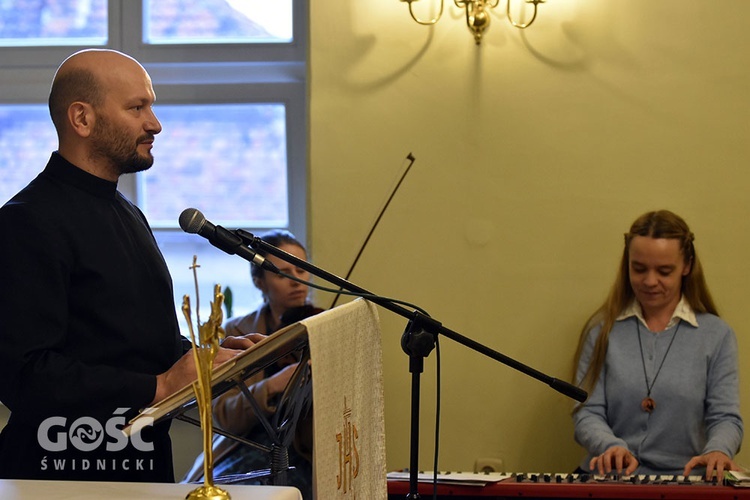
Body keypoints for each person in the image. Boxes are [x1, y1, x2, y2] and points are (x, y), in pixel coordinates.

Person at [0, 48, 256, 482]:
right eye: (137, 107)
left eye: (150, 106)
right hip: (60, 470)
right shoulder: (26, 220)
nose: (155, 123)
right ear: (82, 119)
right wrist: (158, 387)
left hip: (140, 463)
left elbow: (129, 344)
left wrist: (207, 359)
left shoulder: (129, 212)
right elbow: (24, 374)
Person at [572, 210, 743, 481]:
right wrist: (609, 445)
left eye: (664, 271)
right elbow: (587, 412)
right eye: (638, 268)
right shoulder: (602, 331)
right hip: (611, 481)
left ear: (686, 266)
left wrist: (718, 451)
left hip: (687, 482)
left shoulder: (716, 335)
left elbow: (725, 417)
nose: (650, 281)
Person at [184, 230, 321, 499]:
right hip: (246, 447)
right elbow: (223, 415)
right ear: (259, 282)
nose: (296, 280)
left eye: (302, 270)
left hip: (304, 453)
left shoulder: (324, 325)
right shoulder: (236, 331)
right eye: (282, 273)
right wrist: (273, 384)